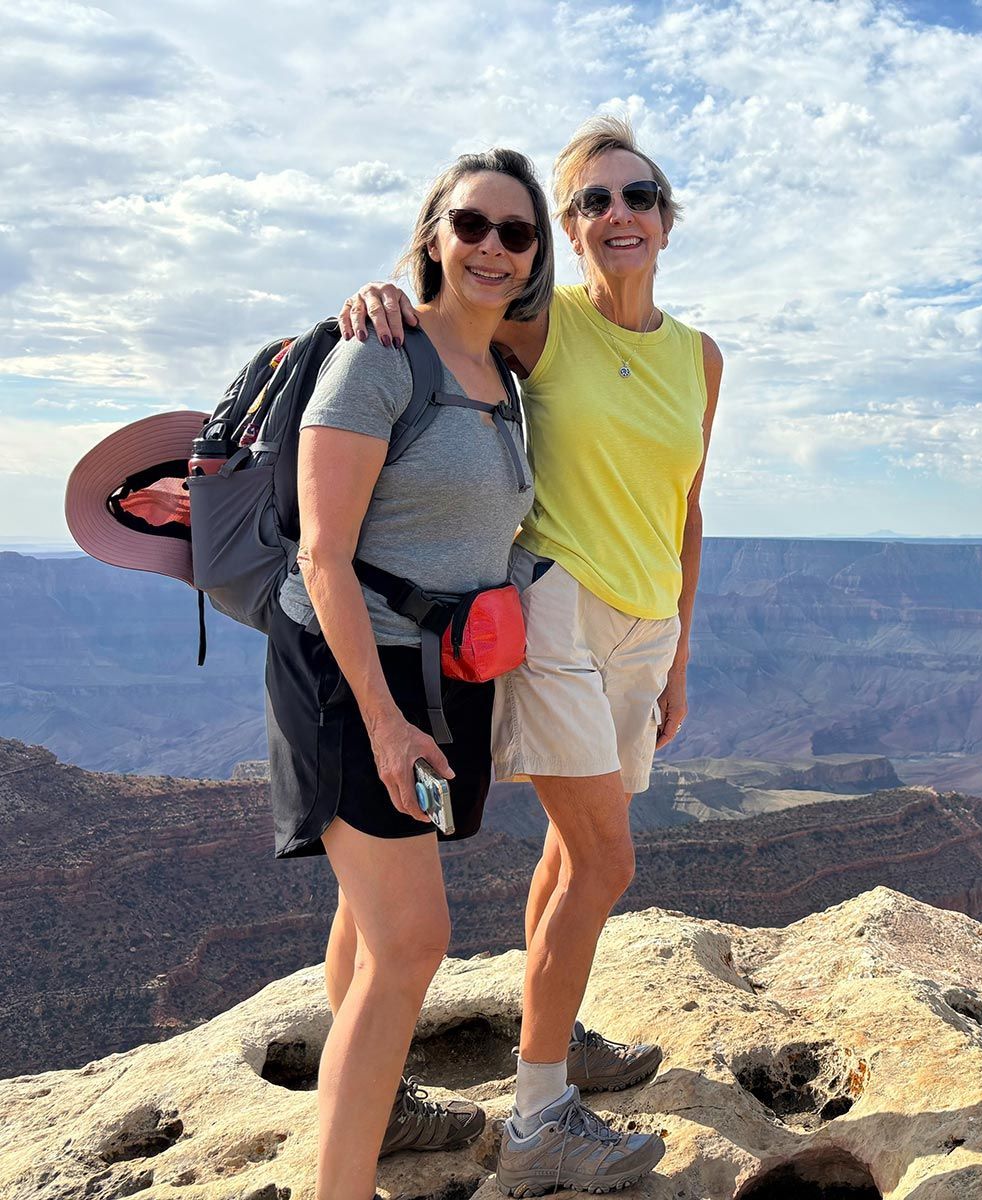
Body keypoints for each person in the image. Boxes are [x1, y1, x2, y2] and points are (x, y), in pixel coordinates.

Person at [341, 114, 722, 1196]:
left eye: (637, 197)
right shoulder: (539, 324)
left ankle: (550, 1040)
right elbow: (441, 313)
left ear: (665, 217)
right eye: (593, 201)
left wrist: (683, 653)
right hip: (551, 608)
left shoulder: (701, 357)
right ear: (570, 226)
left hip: (645, 626)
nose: (618, 216)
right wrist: (378, 295)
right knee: (606, 862)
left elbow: (687, 508)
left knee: (570, 857)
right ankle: (541, 1113)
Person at [273, 148, 553, 1200]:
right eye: (471, 225)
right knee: (413, 942)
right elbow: (321, 555)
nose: (491, 247)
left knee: (367, 916)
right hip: (356, 676)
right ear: (434, 231)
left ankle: (378, 1116)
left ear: (534, 256)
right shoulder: (378, 357)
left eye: (515, 233)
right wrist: (387, 725)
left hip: (447, 679)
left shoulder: (506, 374)